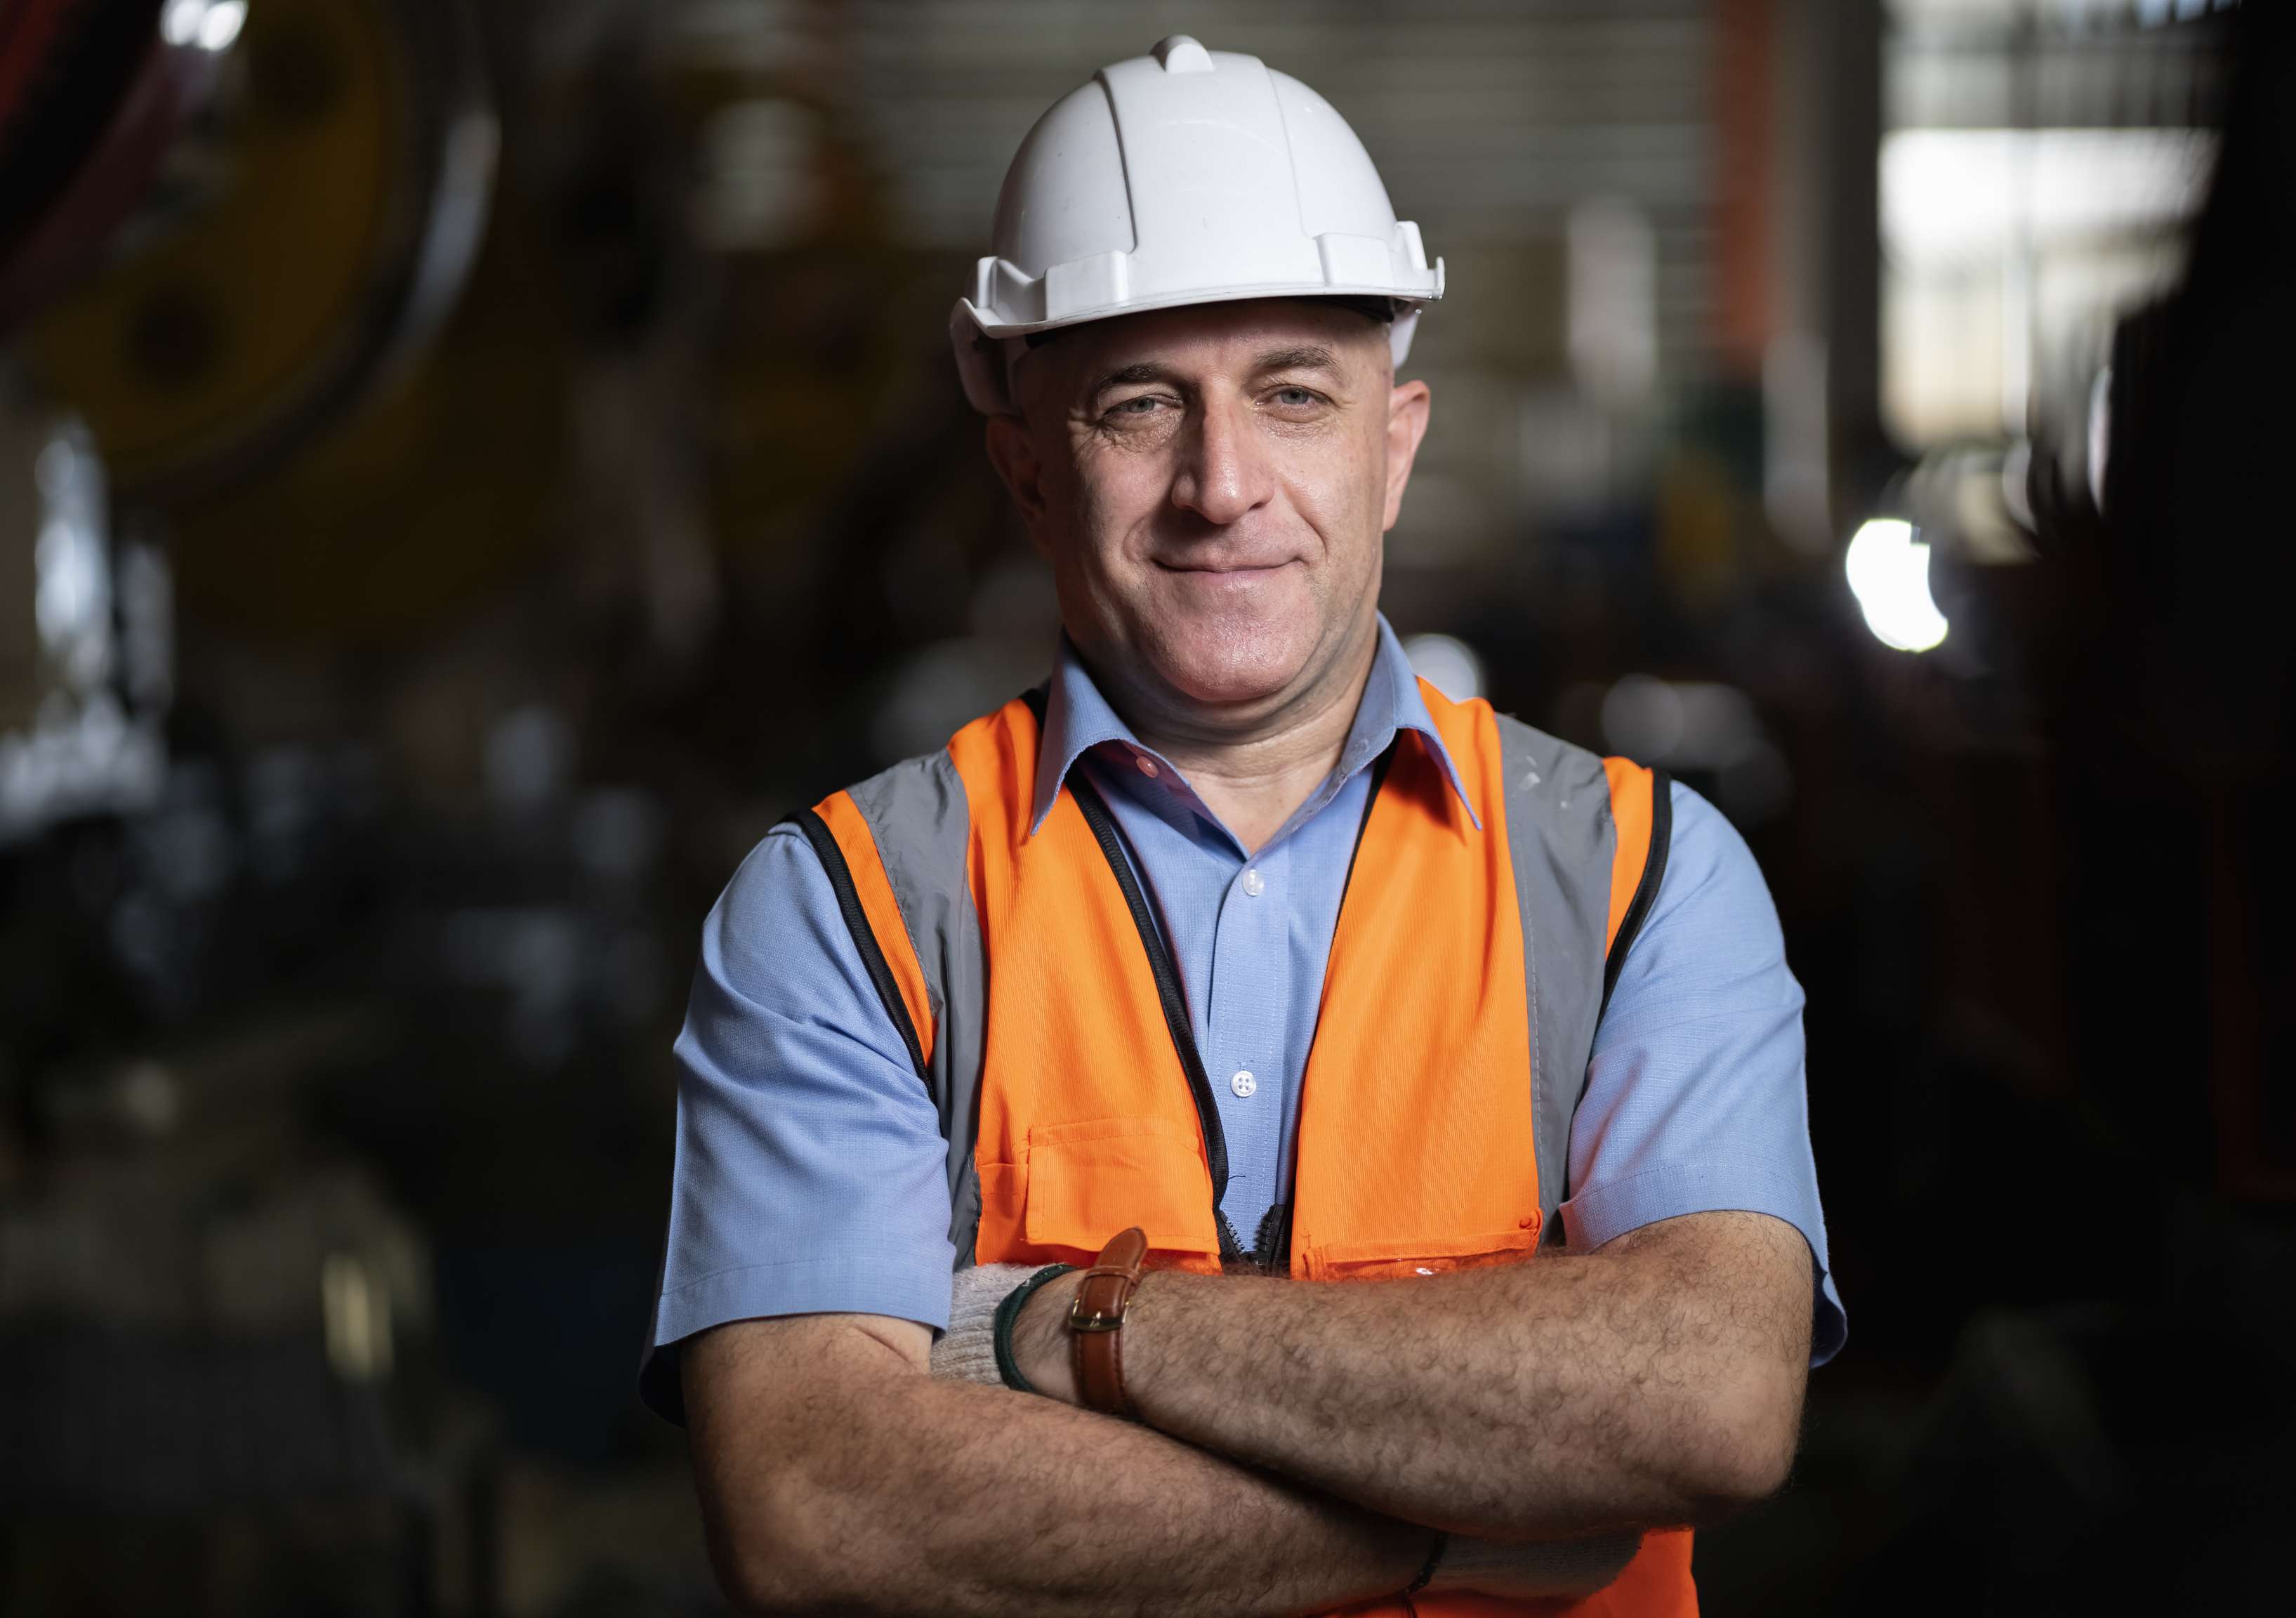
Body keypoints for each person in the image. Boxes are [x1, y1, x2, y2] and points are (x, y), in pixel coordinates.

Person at [645, 37, 1842, 1616]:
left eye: (1294, 396)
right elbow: (820, 1507)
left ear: (1392, 444)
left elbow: (1707, 1396)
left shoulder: (1640, 874)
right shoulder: (847, 913)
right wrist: (1459, 1528)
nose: (1224, 485)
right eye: (1144, 407)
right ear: (1024, 465)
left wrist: (1064, 1330)